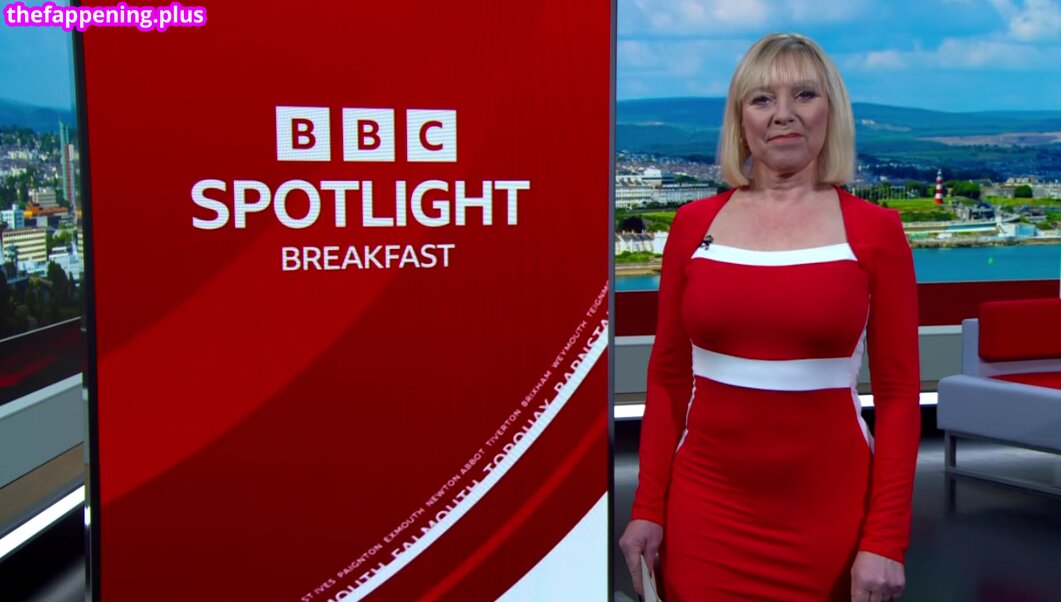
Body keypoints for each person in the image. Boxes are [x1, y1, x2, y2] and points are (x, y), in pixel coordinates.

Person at [619, 33, 920, 602]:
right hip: (705, 512)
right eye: (762, 99)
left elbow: (901, 394)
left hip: (829, 516)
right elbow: (667, 378)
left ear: (831, 109)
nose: (784, 114)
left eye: (804, 94)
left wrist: (886, 539)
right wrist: (648, 507)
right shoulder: (692, 226)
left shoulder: (876, 231)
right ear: (741, 119)